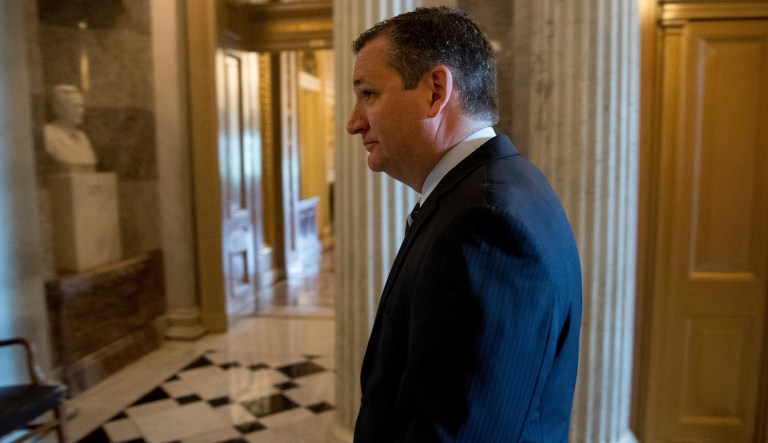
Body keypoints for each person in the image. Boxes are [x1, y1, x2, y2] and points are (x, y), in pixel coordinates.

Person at [345, 7, 582, 442]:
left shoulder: (483, 225)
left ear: (435, 91)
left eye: (369, 94)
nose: (354, 123)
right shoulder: (499, 185)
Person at [44, 84, 97, 173]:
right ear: (58, 108)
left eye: (81, 106)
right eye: (75, 106)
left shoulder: (83, 137)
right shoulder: (47, 134)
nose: (81, 111)